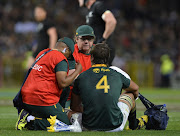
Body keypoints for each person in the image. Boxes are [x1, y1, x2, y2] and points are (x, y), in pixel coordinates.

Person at [67, 43, 148, 131]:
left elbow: (74, 107)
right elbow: (135, 88)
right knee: (130, 94)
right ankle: (134, 125)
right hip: (115, 126)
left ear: (92, 57)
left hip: (89, 126)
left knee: (67, 111)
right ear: (107, 58)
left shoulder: (82, 76)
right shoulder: (116, 74)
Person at [15, 37, 82, 131]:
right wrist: (77, 70)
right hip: (42, 97)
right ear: (66, 49)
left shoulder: (43, 52)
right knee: (64, 123)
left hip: (26, 97)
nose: (67, 58)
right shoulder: (60, 57)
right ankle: (30, 122)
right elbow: (63, 83)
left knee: (65, 90)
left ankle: (30, 114)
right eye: (69, 55)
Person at [78, 0, 117, 66]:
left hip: (102, 52)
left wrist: (103, 39)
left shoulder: (98, 6)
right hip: (98, 52)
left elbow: (111, 21)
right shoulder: (91, 10)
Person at [26, 4, 58, 69]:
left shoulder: (48, 23)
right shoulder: (40, 24)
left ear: (44, 12)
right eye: (36, 13)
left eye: (39, 12)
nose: (37, 14)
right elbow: (41, 38)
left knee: (30, 69)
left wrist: (51, 50)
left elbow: (53, 35)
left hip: (44, 51)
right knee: (30, 69)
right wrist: (36, 46)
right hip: (38, 51)